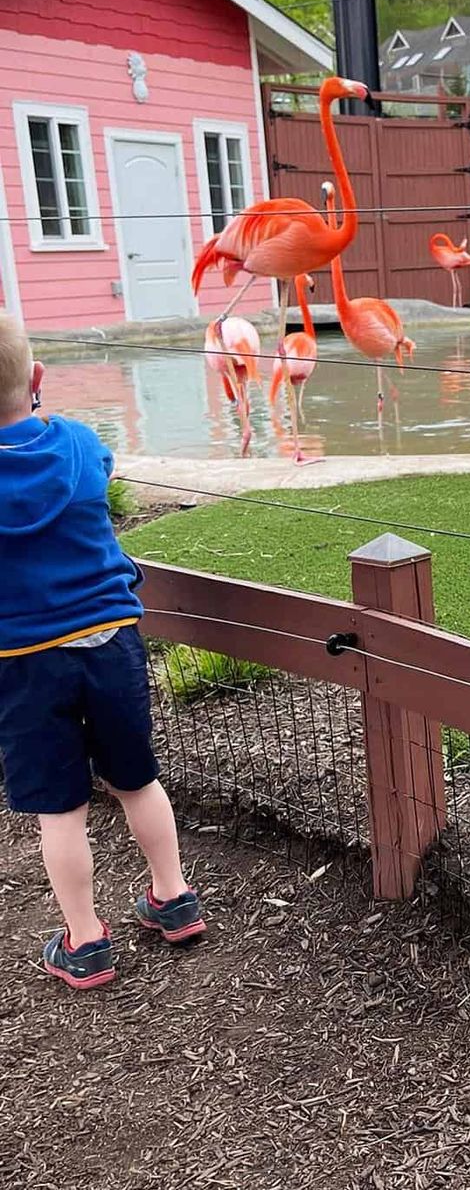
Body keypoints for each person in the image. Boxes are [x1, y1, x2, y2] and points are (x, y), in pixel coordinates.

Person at [0, 315, 204, 989]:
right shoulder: (83, 444)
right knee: (137, 777)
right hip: (111, 640)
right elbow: (102, 474)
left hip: (24, 664)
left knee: (61, 808)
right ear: (36, 379)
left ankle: (85, 941)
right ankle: (172, 896)